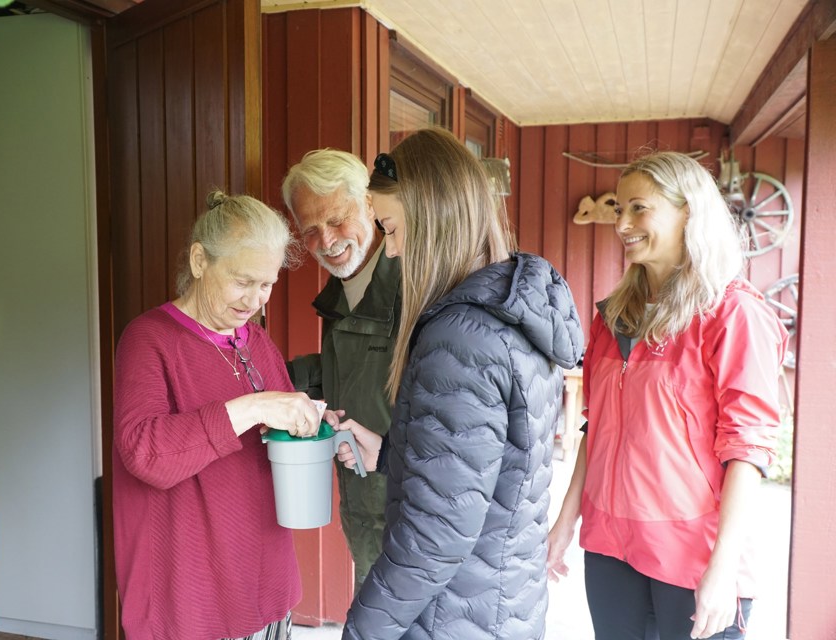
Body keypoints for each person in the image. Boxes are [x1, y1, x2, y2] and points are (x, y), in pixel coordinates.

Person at [334, 127, 585, 640]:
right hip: (498, 603)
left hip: (453, 618)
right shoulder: (513, 311)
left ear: (433, 219)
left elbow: (434, 537)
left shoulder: (460, 337)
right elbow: (489, 469)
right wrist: (390, 453)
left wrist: (361, 630)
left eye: (393, 228)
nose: (393, 251)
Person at [547, 151, 789, 640]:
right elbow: (595, 429)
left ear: (689, 213)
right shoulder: (613, 318)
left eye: (640, 208)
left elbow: (748, 450)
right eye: (620, 209)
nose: (623, 223)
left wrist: (723, 570)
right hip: (611, 548)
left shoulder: (731, 314)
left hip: (692, 554)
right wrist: (564, 522)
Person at [112, 191, 324, 640]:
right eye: (242, 280)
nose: (255, 299)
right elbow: (144, 452)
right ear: (198, 261)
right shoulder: (148, 339)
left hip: (266, 585)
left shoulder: (255, 340)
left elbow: (278, 431)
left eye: (267, 284)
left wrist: (316, 424)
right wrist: (254, 406)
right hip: (192, 600)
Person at [281, 149, 399, 593]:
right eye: (310, 230)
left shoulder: (415, 279)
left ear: (370, 204)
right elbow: (351, 373)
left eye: (336, 220)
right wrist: (269, 382)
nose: (326, 241)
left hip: (412, 514)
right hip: (365, 509)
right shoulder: (341, 292)